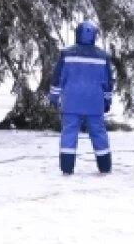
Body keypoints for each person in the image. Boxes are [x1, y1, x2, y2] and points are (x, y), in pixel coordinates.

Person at [48, 21, 114, 175]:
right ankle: (104, 166)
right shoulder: (102, 56)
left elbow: (58, 78)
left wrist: (53, 98)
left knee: (69, 133)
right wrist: (107, 100)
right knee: (98, 134)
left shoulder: (66, 54)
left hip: (71, 102)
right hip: (94, 102)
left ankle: (67, 167)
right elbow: (108, 82)